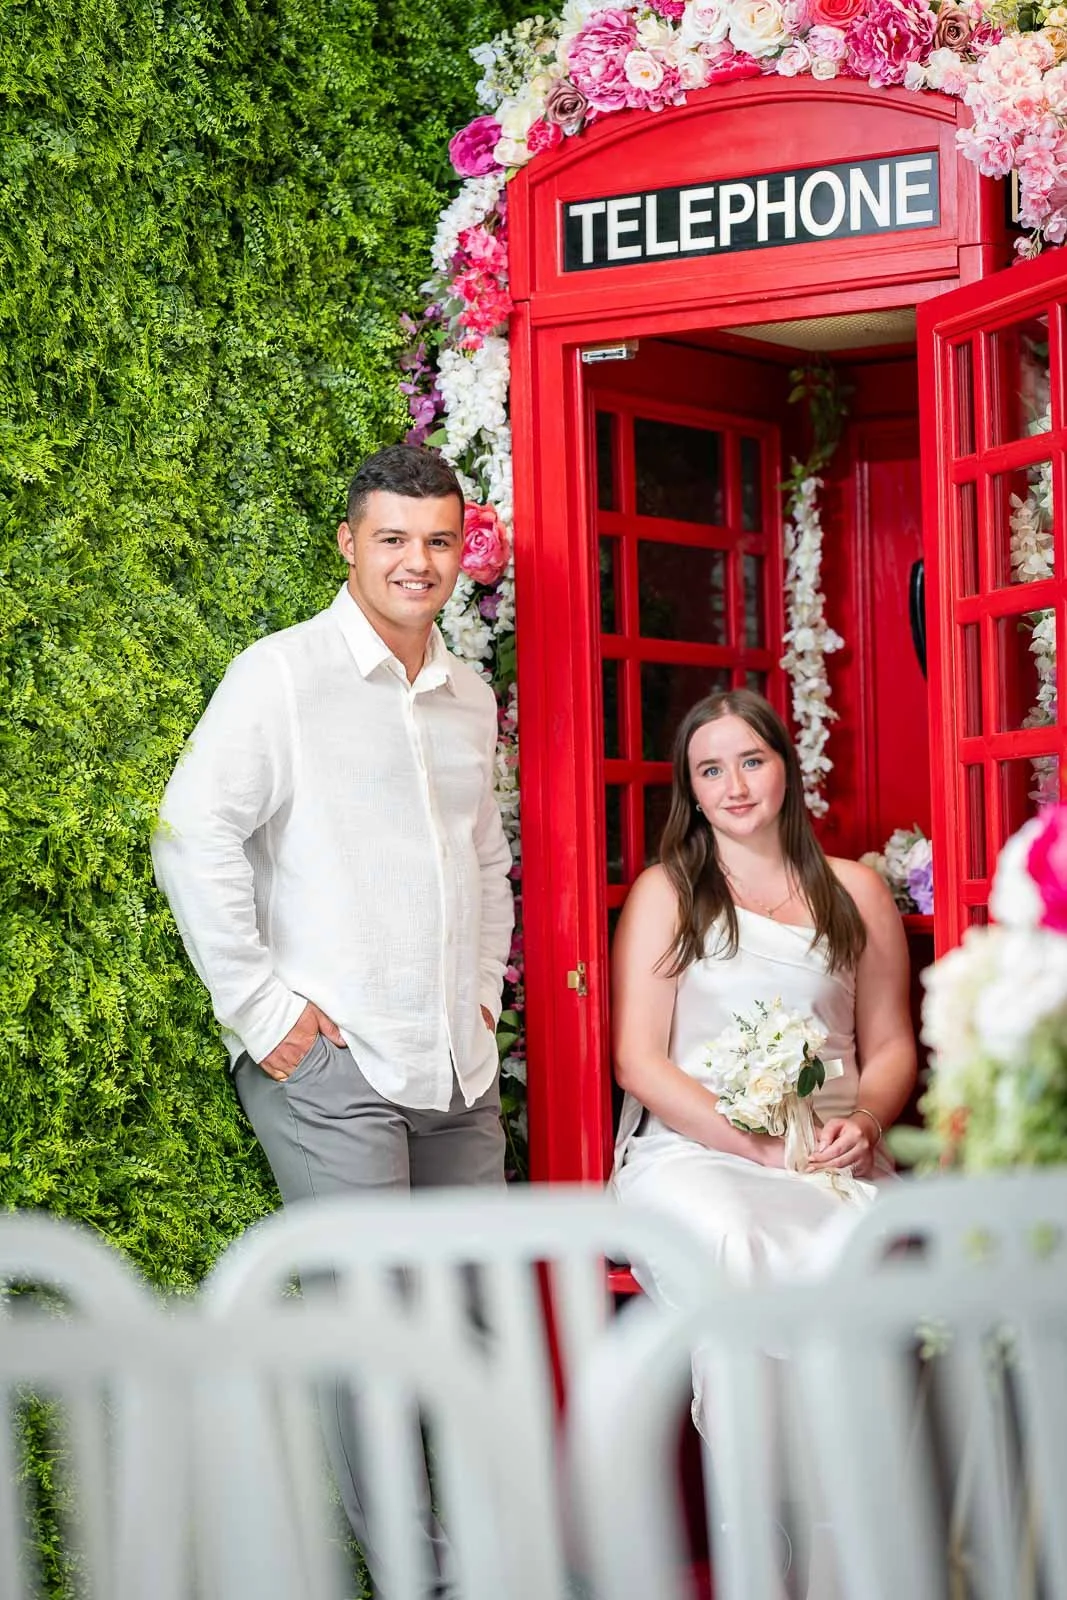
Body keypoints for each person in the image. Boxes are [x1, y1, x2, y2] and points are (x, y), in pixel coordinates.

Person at [152, 442, 514, 1595]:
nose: (418, 560)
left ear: (462, 551)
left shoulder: (468, 697)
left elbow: (487, 858)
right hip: (333, 1067)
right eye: (394, 538)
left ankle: (499, 1557)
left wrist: (485, 990)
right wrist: (265, 1013)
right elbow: (192, 831)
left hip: (456, 1067)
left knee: (473, 1327)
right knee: (368, 1344)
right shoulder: (282, 676)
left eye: (439, 540)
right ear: (348, 544)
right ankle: (424, 1579)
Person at [611, 687, 917, 1288]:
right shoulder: (666, 894)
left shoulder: (857, 891)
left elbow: (890, 1046)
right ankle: (735, 1388)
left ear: (785, 769)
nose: (736, 787)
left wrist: (863, 1123)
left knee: (846, 1247)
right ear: (693, 792)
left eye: (752, 761)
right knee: (734, 1230)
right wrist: (757, 1151)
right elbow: (637, 1061)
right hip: (696, 1154)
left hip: (827, 1157)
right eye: (711, 770)